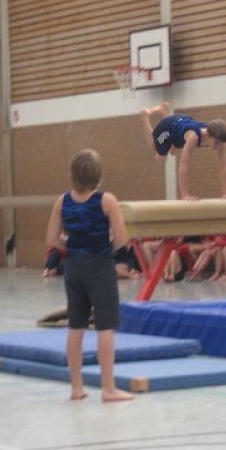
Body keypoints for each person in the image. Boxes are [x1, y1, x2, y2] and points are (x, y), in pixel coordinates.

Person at [45, 148, 134, 402]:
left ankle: (76, 387)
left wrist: (73, 247)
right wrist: (103, 245)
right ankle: (108, 388)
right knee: (105, 327)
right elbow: (122, 240)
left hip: (73, 267)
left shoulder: (62, 201)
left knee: (76, 326)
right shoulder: (107, 201)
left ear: (72, 174)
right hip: (100, 266)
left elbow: (51, 239)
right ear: (98, 175)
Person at [140, 102, 226, 200]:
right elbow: (183, 166)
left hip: (181, 124)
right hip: (167, 129)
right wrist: (185, 195)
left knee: (173, 152)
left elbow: (224, 167)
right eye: (217, 143)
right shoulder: (194, 137)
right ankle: (145, 117)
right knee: (159, 158)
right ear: (209, 135)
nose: (219, 147)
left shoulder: (217, 136)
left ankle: (164, 111)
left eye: (220, 143)